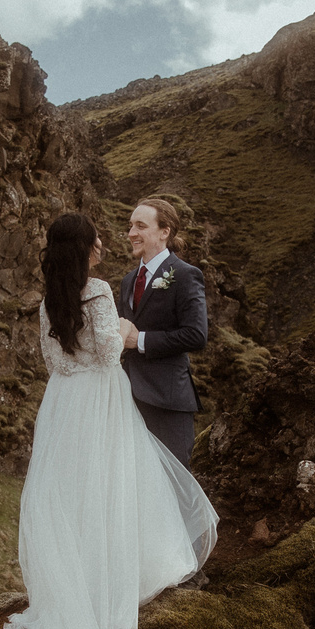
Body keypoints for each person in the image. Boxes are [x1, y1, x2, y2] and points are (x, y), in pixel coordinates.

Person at [6, 210, 219, 629]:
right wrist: (123, 331)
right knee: (113, 485)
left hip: (64, 400)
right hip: (103, 397)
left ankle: (76, 587)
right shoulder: (102, 289)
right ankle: (112, 588)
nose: (109, 240)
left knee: (72, 491)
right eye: (97, 237)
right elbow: (106, 353)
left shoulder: (49, 301)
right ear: (84, 249)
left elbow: (52, 359)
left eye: (136, 225)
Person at [115, 196, 207, 468]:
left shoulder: (185, 274)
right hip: (128, 398)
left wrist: (139, 340)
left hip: (168, 402)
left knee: (172, 485)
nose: (132, 233)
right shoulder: (128, 281)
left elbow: (196, 335)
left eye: (141, 226)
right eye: (131, 226)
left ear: (164, 232)